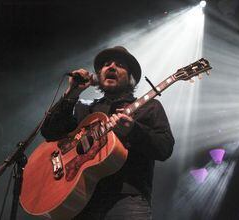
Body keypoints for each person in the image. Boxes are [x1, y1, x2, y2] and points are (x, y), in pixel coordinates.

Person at [41, 46, 175, 219]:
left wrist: (134, 131)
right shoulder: (84, 108)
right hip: (79, 197)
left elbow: (164, 148)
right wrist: (71, 94)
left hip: (126, 200)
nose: (111, 67)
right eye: (106, 64)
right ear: (98, 76)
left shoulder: (148, 107)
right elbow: (49, 132)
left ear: (131, 79)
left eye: (119, 65)